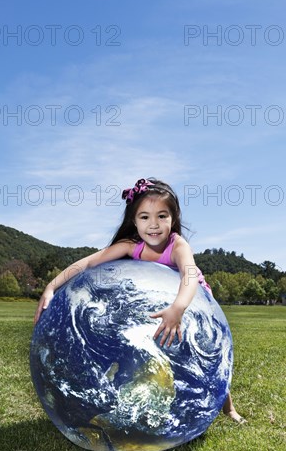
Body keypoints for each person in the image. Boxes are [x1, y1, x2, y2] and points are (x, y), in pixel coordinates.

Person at [34, 178, 246, 424]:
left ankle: (228, 406)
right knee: (155, 350)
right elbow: (89, 263)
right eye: (144, 217)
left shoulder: (178, 245)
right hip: (154, 301)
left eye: (162, 216)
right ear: (134, 221)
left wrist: (178, 308)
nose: (153, 225)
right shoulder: (130, 245)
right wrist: (52, 286)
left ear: (173, 219)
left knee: (202, 354)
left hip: (189, 301)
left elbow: (188, 277)